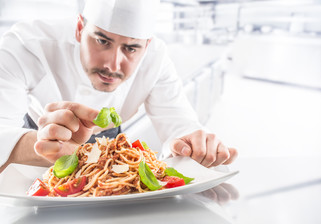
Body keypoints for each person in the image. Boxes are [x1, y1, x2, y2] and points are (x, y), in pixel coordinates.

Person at [0, 0, 237, 173]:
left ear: (147, 45)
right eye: (102, 41)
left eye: (131, 48)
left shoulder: (156, 58)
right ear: (80, 29)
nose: (112, 65)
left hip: (113, 143)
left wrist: (194, 144)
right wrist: (44, 146)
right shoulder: (26, 44)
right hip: (34, 143)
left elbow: (179, 124)